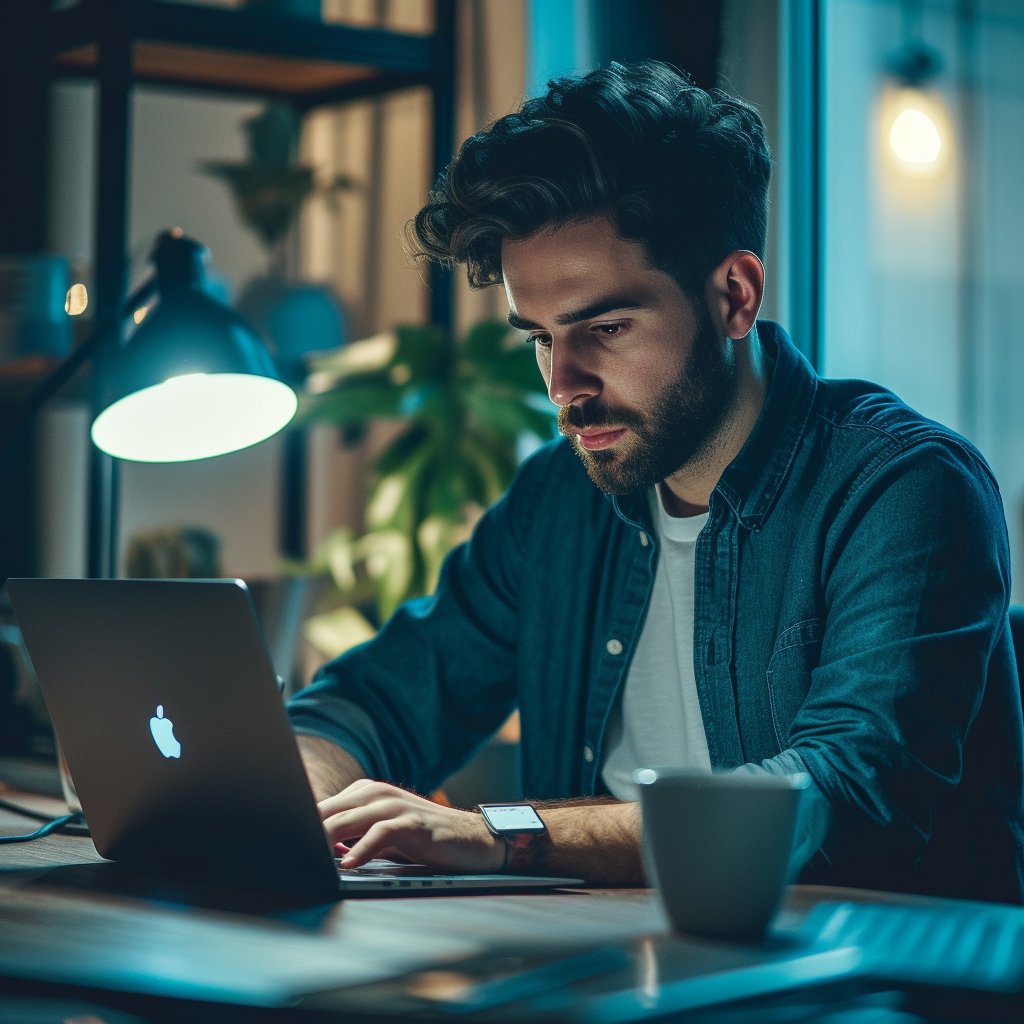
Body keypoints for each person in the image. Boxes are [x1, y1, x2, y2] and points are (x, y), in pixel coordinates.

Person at [287, 60, 1024, 901]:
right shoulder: (558, 503)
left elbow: (844, 798)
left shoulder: (907, 491)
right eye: (538, 337)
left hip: (858, 985)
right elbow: (378, 699)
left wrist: (506, 836)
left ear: (734, 296)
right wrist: (305, 797)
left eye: (604, 327)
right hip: (602, 967)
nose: (563, 383)